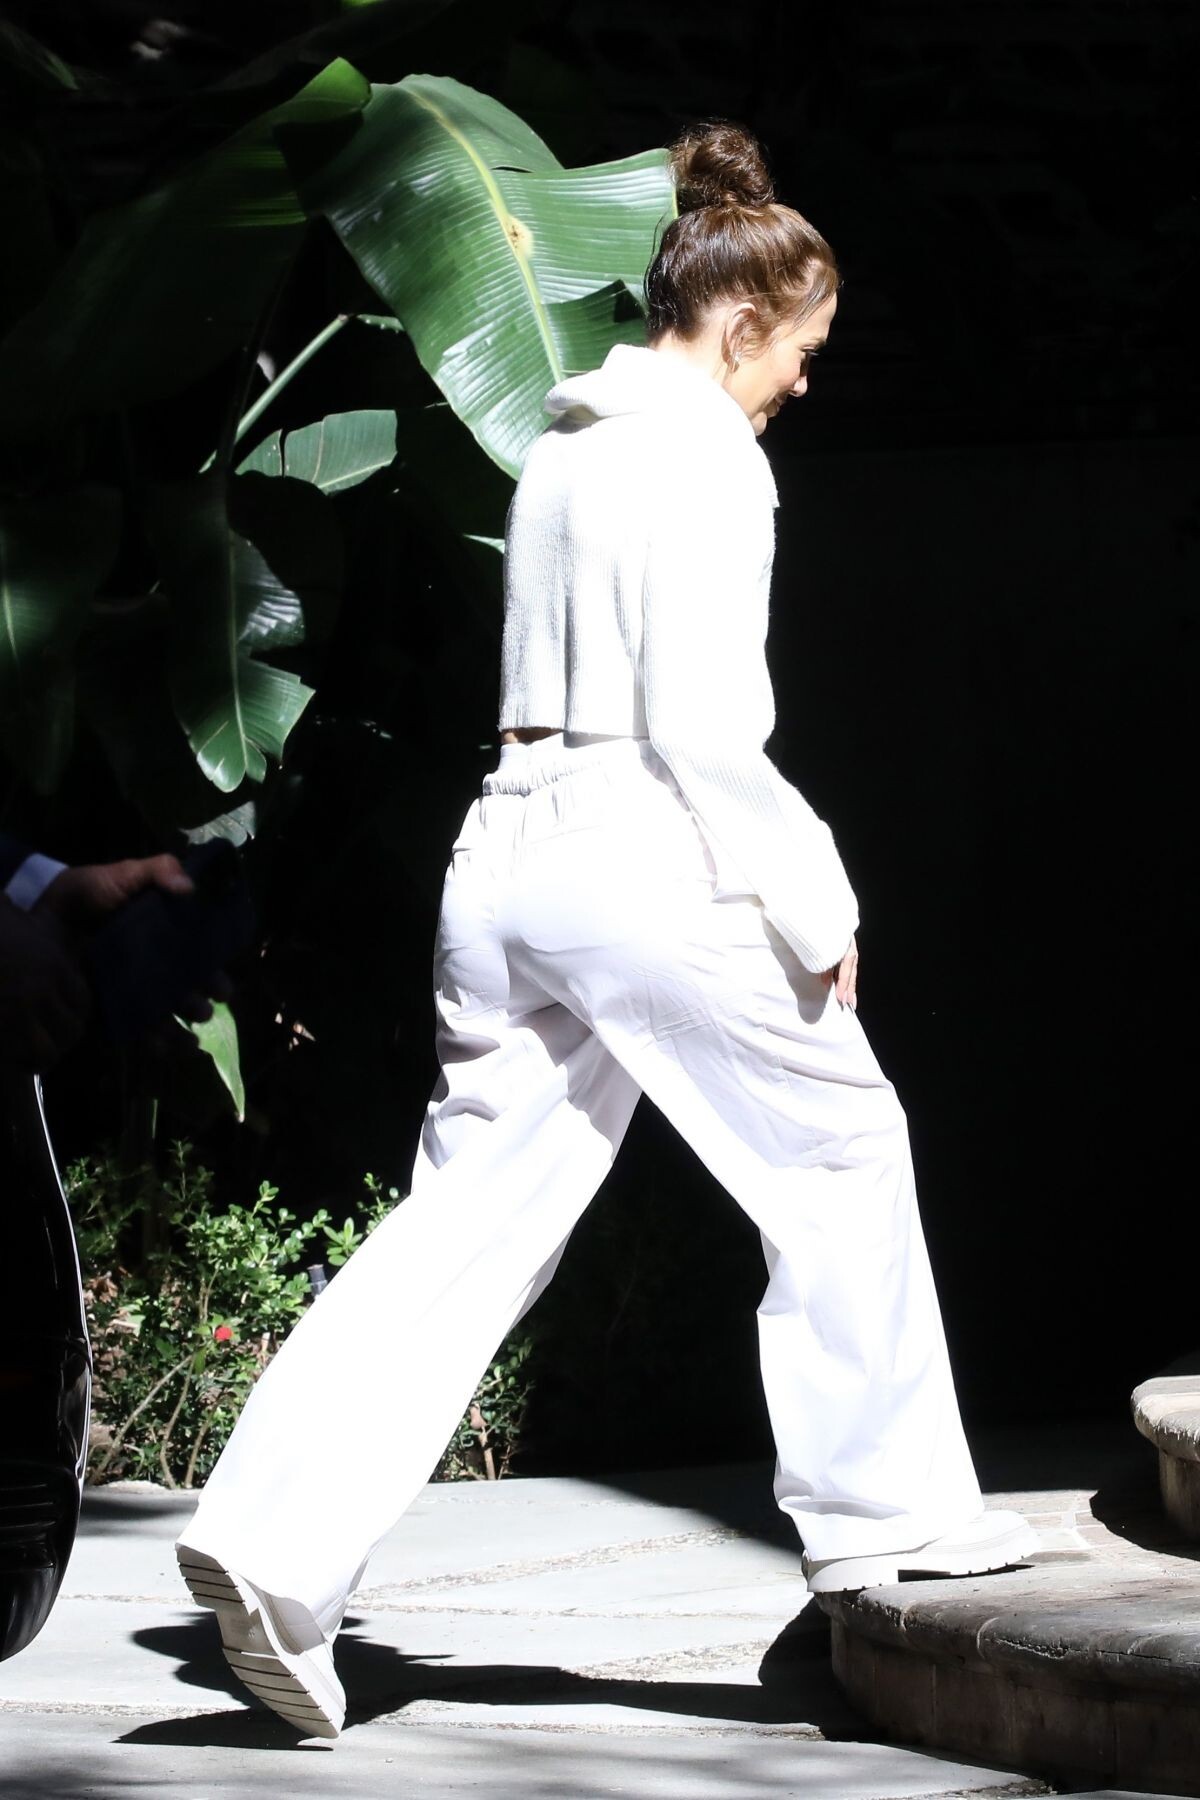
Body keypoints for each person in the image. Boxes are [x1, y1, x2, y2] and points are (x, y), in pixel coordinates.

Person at [174, 121, 1037, 1739]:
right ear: (744, 320)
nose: (803, 383)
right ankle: (888, 1522)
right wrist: (815, 898)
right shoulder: (707, 457)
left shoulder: (562, 444)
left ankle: (270, 1545)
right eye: (803, 350)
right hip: (644, 846)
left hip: (502, 852)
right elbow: (707, 728)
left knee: (460, 1229)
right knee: (843, 1152)